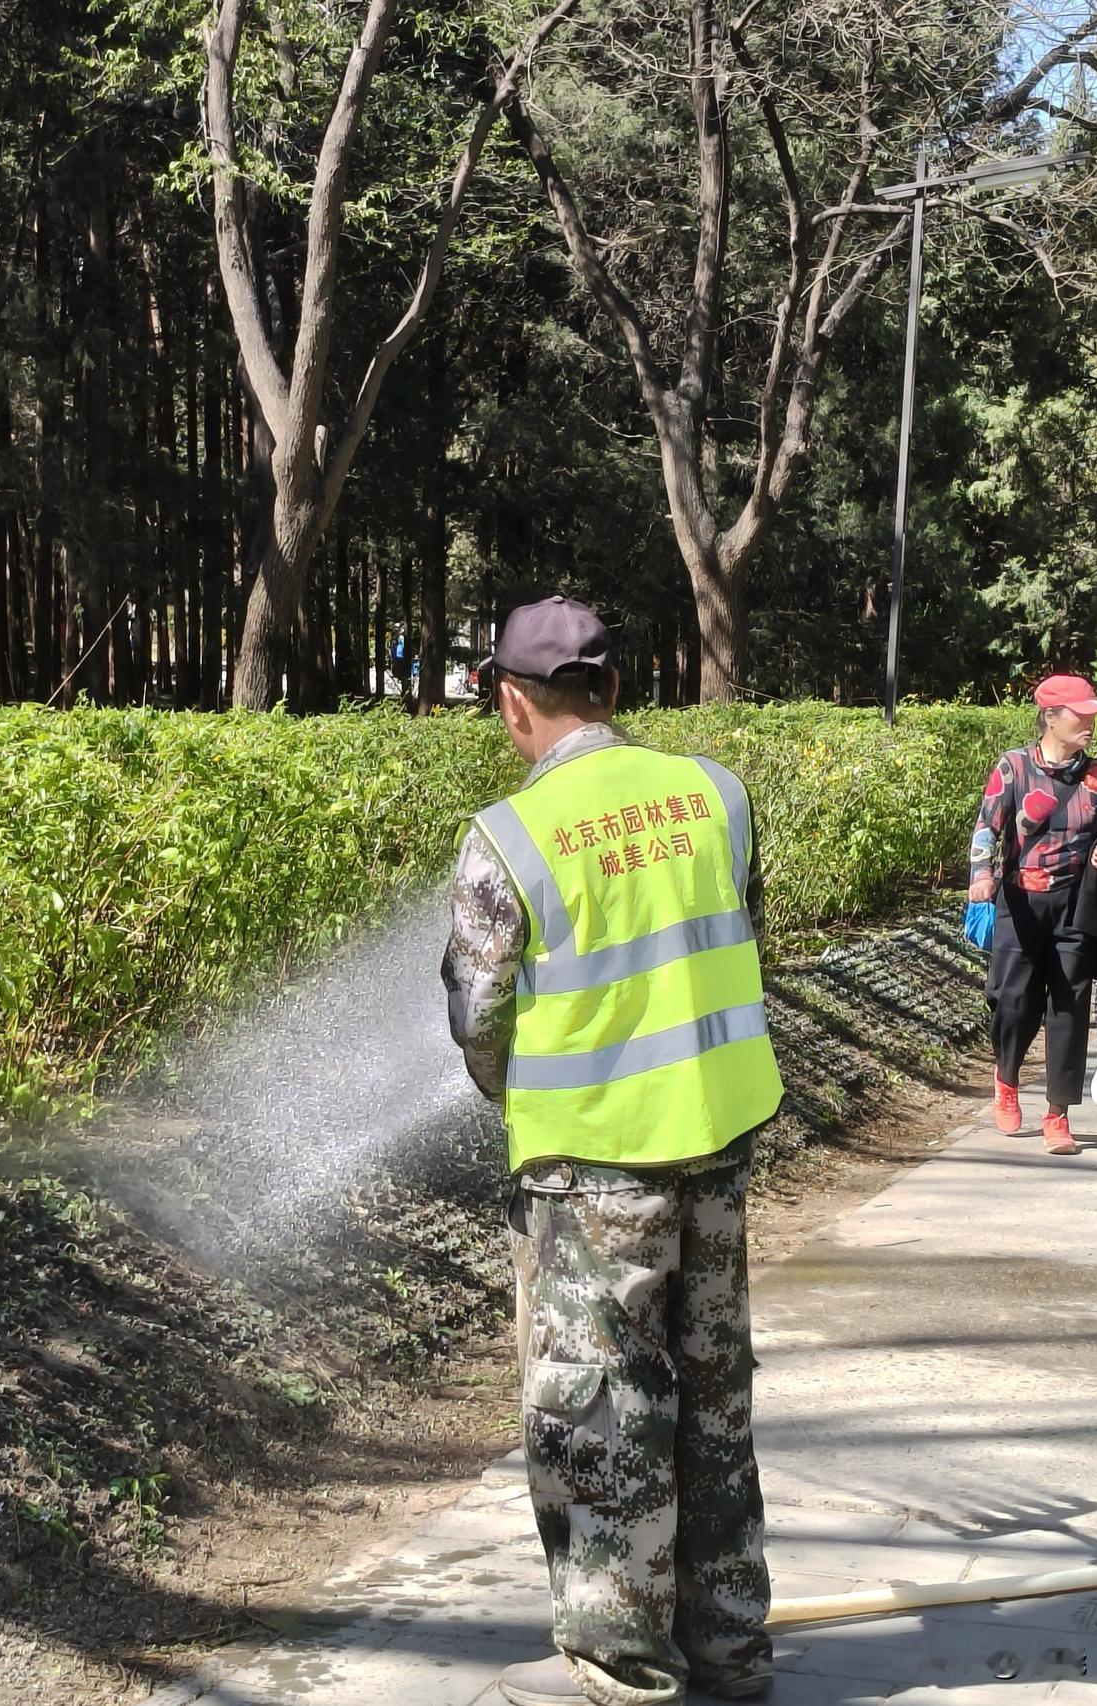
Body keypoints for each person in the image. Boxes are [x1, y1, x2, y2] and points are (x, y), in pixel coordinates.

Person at [442, 595, 784, 1706]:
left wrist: (524, 1096)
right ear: (615, 691)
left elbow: (479, 1017)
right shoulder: (714, 795)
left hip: (590, 1174)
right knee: (711, 1398)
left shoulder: (506, 837)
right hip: (718, 1152)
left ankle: (627, 1670)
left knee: (604, 1417)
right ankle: (730, 1651)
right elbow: (738, 938)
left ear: (508, 701)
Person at [969, 673, 1097, 1154]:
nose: (1091, 724)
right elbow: (987, 827)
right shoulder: (1013, 767)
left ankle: (1058, 1114)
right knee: (1012, 1003)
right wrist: (981, 877)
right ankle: (1006, 1078)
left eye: (1095, 716)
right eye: (1082, 715)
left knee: (1070, 1008)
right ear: (1051, 717)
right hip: (1021, 904)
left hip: (1077, 906)